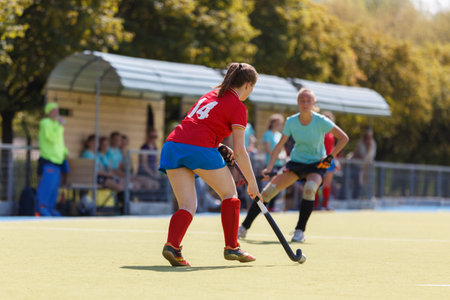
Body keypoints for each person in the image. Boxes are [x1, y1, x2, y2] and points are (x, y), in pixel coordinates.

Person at [159, 62, 262, 267]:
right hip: (199, 149)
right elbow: (241, 152)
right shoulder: (238, 106)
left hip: (173, 145)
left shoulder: (210, 94)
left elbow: (198, 125)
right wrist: (252, 182)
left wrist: (219, 145)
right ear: (248, 85)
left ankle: (173, 246)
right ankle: (232, 247)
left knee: (187, 205)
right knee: (230, 194)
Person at [238, 88, 349, 243]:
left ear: (313, 103)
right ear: (298, 102)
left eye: (308, 100)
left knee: (310, 189)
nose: (305, 103)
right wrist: (269, 168)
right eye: (302, 100)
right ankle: (243, 227)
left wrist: (330, 157)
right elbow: (278, 147)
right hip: (296, 164)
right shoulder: (291, 121)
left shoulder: (321, 121)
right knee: (267, 192)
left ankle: (299, 231)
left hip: (316, 165)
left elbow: (344, 138)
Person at [36, 102, 70, 216]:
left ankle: (51, 208)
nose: (56, 112)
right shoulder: (45, 123)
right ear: (48, 112)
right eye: (53, 110)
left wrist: (65, 152)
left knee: (54, 188)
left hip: (58, 162)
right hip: (48, 160)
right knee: (46, 187)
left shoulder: (56, 124)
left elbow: (59, 143)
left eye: (57, 110)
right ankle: (42, 208)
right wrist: (60, 126)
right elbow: (51, 139)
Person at [314, 111, 338, 210]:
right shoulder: (318, 132)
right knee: (316, 183)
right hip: (320, 160)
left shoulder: (332, 133)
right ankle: (315, 205)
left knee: (327, 184)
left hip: (330, 160)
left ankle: (325, 205)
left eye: (329, 118)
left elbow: (332, 148)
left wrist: (335, 160)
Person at [350, 129, 377, 199]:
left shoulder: (373, 143)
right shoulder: (360, 144)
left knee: (368, 183)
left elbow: (370, 157)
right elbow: (364, 157)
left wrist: (370, 148)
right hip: (357, 167)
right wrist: (369, 149)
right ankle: (356, 198)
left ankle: (368, 197)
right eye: (367, 138)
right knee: (358, 184)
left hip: (367, 167)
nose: (369, 140)